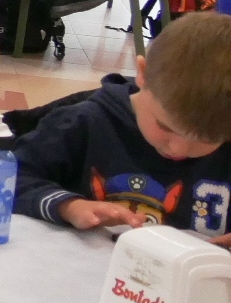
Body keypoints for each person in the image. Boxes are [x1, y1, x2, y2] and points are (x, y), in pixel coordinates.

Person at [14, 12, 231, 243]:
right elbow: (11, 177)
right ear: (143, 73)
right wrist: (68, 206)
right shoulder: (84, 123)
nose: (178, 149)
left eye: (207, 140)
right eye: (165, 127)